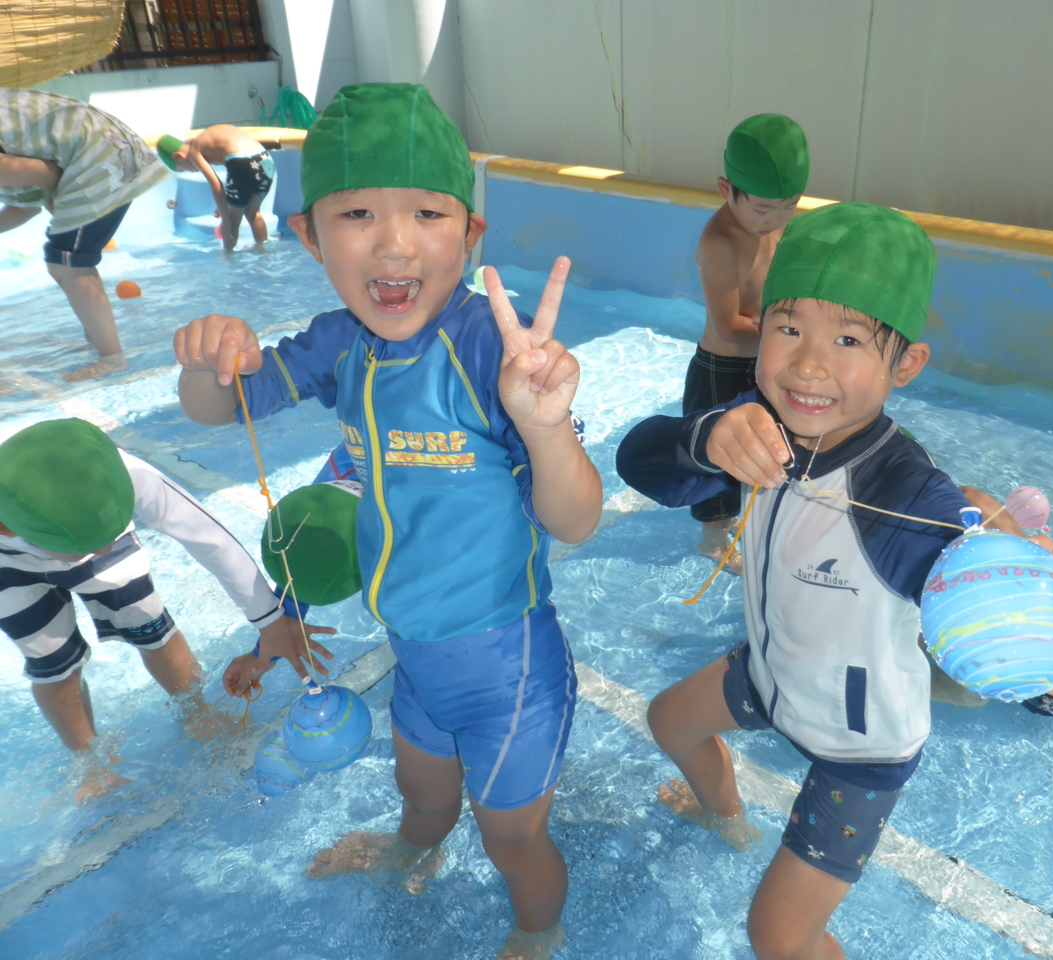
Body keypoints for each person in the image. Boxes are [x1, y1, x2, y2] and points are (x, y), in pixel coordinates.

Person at [616, 203, 1053, 960]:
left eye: (848, 340)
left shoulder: (908, 500)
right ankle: (725, 815)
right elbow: (640, 464)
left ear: (905, 365)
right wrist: (706, 438)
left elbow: (1000, 642)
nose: (808, 365)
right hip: (772, 675)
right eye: (789, 328)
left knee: (778, 936)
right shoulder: (761, 426)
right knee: (669, 721)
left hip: (860, 746)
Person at [171, 83, 602, 960]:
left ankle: (539, 933)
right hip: (416, 656)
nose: (395, 242)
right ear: (309, 236)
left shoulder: (490, 351)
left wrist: (547, 428)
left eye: (427, 214)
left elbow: (577, 520)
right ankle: (412, 851)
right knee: (424, 798)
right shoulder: (342, 344)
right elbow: (224, 407)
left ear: (470, 235)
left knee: (512, 840)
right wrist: (208, 359)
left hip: (509, 666)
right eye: (358, 213)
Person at [0, 418, 331, 802]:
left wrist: (271, 621)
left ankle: (196, 711)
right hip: (8, 566)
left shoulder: (115, 471)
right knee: (51, 661)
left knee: (151, 627)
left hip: (70, 517)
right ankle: (90, 761)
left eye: (111, 533)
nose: (107, 548)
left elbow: (209, 537)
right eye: (92, 544)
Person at [688, 113, 809, 573]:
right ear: (726, 189)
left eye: (789, 206)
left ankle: (763, 526)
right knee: (719, 463)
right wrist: (789, 339)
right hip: (723, 370)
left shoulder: (775, 225)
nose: (774, 220)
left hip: (766, 362)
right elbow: (726, 327)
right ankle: (713, 539)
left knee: (772, 452)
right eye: (761, 209)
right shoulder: (719, 240)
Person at [0, 89, 168, 382]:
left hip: (97, 156)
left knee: (66, 263)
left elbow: (49, 178)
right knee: (72, 259)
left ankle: (111, 359)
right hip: (108, 146)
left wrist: (63, 209)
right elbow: (27, 206)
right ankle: (98, 341)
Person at [157, 125, 275, 251]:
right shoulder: (208, 139)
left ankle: (228, 256)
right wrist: (225, 202)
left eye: (182, 169)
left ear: (178, 156)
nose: (193, 171)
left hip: (241, 162)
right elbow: (238, 177)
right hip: (265, 159)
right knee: (253, 212)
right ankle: (263, 251)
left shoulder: (194, 151)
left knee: (232, 221)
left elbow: (216, 184)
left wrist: (225, 218)